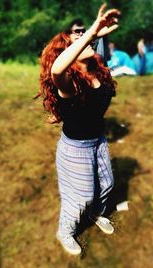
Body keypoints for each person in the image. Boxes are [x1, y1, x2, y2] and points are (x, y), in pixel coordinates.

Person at [37, 4, 120, 255]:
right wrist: (93, 31)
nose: (88, 40)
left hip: (98, 140)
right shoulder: (68, 81)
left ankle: (96, 214)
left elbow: (96, 48)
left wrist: (100, 34)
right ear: (67, 49)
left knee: (107, 184)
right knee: (81, 196)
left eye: (87, 37)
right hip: (76, 148)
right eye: (79, 36)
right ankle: (66, 231)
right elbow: (57, 69)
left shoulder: (97, 68)